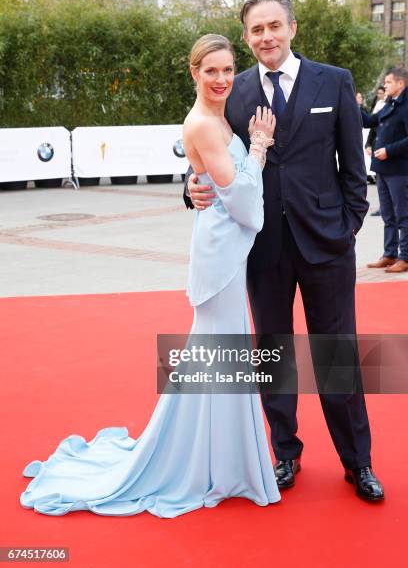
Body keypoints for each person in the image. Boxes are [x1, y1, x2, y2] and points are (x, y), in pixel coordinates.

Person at [19, 34, 281, 517]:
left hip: (223, 249)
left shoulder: (219, 115)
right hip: (220, 254)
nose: (222, 79)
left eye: (227, 70)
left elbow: (216, 183)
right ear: (194, 72)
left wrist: (208, 177)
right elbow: (244, 201)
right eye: (211, 71)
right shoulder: (203, 123)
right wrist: (260, 147)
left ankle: (215, 461)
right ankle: (213, 465)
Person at [185, 0, 384, 501]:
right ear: (247, 36)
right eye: (256, 30)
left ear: (292, 28)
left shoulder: (334, 81)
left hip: (326, 247)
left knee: (335, 355)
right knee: (274, 355)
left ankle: (358, 462)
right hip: (261, 249)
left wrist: (347, 227)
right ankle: (284, 454)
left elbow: (353, 170)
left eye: (274, 25)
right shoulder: (234, 87)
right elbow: (204, 151)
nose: (266, 36)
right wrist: (190, 186)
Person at [358, 68, 408, 273]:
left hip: (399, 169)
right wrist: (356, 106)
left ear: (400, 84)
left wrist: (389, 150)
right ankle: (390, 254)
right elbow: (370, 121)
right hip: (384, 168)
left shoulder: (405, 106)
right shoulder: (389, 103)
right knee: (388, 214)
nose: (385, 85)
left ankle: (405, 256)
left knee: (403, 215)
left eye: (388, 82)